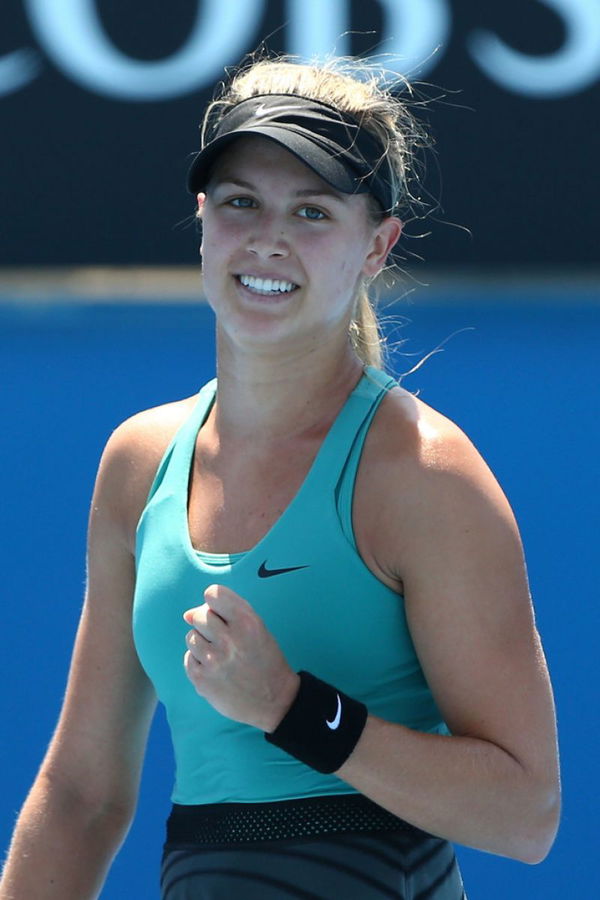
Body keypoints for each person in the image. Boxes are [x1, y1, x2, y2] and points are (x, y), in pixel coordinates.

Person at [0, 55, 560, 900]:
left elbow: (525, 815)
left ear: (378, 246)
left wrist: (293, 710)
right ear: (202, 219)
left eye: (311, 211)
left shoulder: (425, 477)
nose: (268, 239)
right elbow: (81, 796)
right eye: (241, 203)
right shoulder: (138, 462)